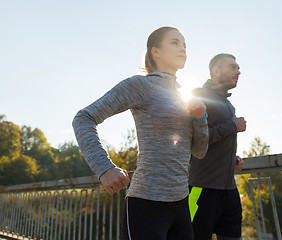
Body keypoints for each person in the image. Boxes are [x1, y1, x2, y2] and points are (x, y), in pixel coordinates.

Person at [72, 26, 209, 240]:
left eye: (184, 45)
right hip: (147, 204)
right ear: (156, 51)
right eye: (175, 42)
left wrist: (201, 118)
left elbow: (199, 151)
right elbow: (83, 118)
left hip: (181, 203)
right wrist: (104, 168)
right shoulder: (140, 85)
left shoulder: (185, 97)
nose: (183, 48)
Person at [188, 53, 246, 240]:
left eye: (238, 67)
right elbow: (195, 140)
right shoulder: (199, 98)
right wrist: (233, 126)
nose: (238, 71)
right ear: (216, 71)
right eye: (232, 67)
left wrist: (232, 160)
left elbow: (217, 142)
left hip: (229, 191)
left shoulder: (228, 104)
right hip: (200, 189)